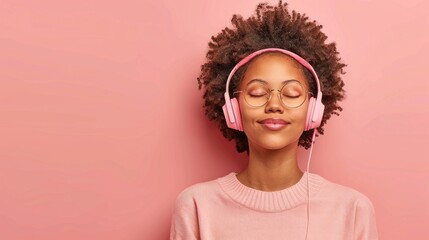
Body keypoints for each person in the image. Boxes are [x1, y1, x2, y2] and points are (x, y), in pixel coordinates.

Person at [170, 1, 378, 239]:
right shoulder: (196, 206)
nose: (274, 105)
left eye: (291, 94)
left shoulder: (352, 210)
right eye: (257, 93)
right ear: (233, 109)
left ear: (313, 110)